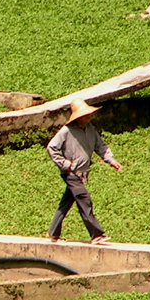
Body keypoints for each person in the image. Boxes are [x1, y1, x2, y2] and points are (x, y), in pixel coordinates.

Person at [46, 99, 123, 244]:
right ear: (78, 116)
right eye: (86, 115)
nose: (89, 117)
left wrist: (111, 160)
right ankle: (96, 234)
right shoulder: (66, 131)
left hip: (82, 173)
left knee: (66, 202)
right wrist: (65, 164)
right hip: (71, 173)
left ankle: (53, 232)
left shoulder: (90, 129)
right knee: (84, 198)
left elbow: (100, 146)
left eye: (89, 115)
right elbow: (52, 147)